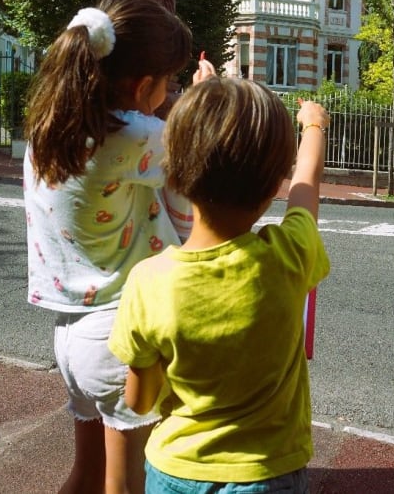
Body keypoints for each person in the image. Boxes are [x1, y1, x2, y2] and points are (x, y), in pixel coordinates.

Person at [23, 0, 214, 494]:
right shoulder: (136, 138)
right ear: (144, 83)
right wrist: (206, 98)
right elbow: (204, 155)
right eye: (168, 83)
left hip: (71, 332)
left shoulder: (53, 128)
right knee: (127, 487)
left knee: (85, 477)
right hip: (119, 335)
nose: (169, 93)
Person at [108, 78, 331, 493]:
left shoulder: (149, 281)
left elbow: (139, 401)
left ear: (173, 177)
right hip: (269, 474)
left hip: (175, 472)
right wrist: (313, 126)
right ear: (271, 188)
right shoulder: (290, 255)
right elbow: (306, 186)